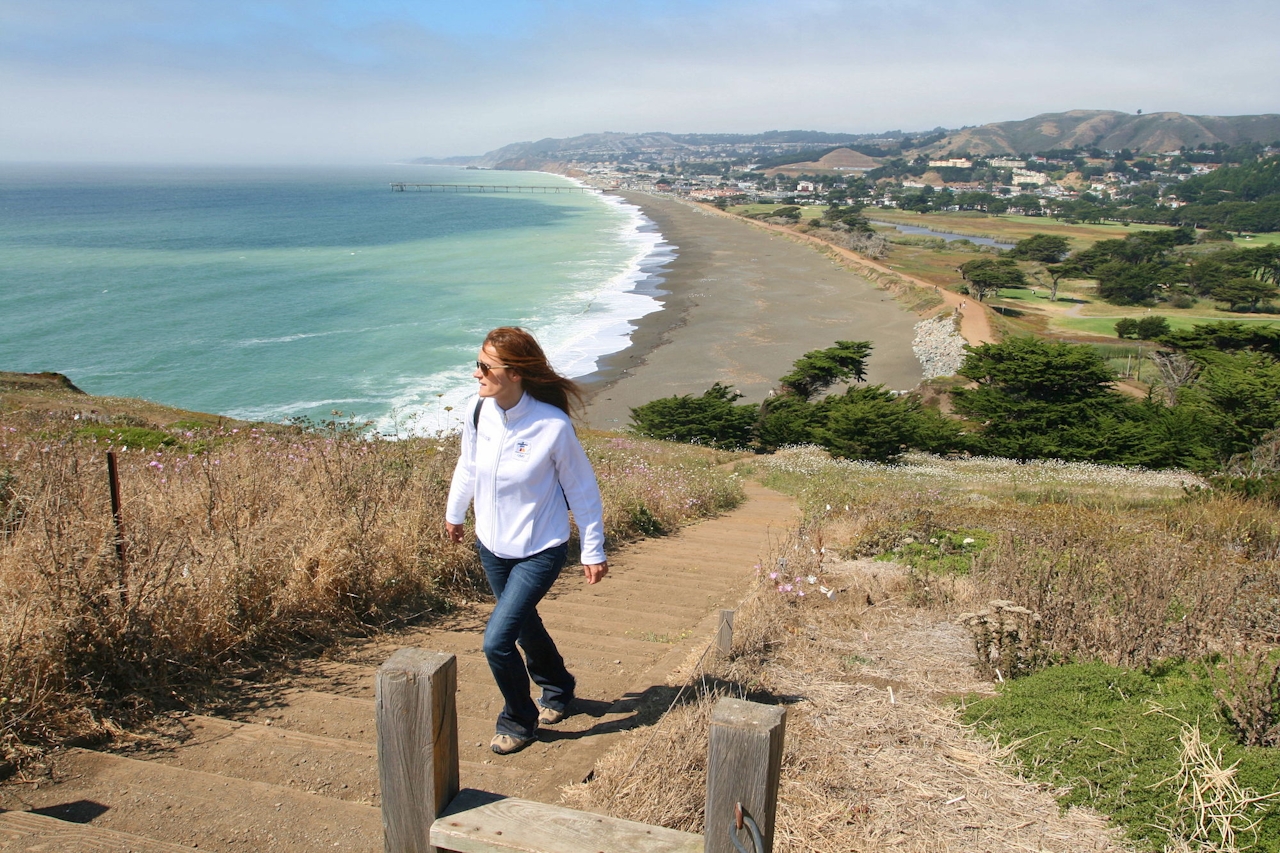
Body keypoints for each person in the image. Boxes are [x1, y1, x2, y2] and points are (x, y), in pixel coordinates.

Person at [445, 327, 609, 755]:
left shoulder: (551, 426)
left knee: (497, 640)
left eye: (485, 366)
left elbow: (583, 491)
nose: (476, 373)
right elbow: (469, 464)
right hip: (491, 546)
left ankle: (518, 720)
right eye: (477, 363)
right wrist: (454, 511)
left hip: (540, 549)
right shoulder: (478, 411)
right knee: (523, 625)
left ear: (515, 374)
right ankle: (559, 689)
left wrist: (593, 549)